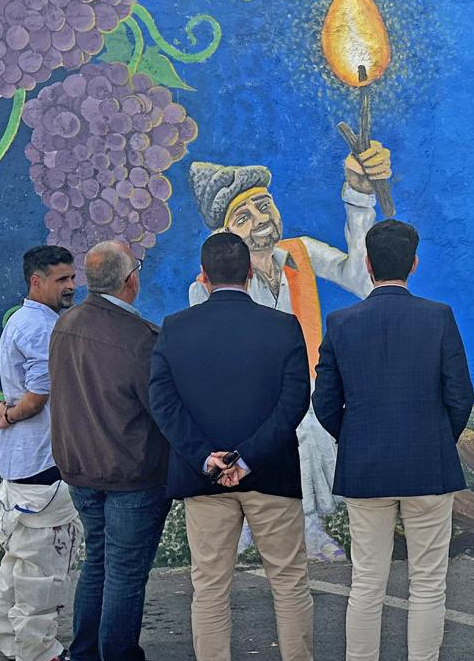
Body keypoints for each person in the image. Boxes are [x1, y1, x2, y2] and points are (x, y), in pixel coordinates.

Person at [187, 147, 389, 559]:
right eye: (243, 217)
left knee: (311, 433)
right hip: (246, 394)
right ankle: (243, 525)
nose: (260, 219)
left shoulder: (301, 253)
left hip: (303, 384)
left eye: (263, 206)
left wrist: (358, 197)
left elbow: (362, 278)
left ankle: (308, 526)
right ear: (225, 235)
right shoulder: (209, 284)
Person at [312, 220, 474, 661]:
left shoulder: (341, 322)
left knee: (366, 582)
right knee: (428, 582)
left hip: (365, 469)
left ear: (367, 264)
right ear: (414, 263)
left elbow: (324, 401)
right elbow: (460, 395)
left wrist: (354, 439)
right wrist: (437, 437)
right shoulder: (438, 317)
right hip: (429, 467)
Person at [151, 231, 314, 661]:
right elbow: (295, 401)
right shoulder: (283, 327)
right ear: (249, 274)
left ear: (203, 276)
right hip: (272, 475)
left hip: (203, 478)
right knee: (289, 583)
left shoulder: (174, 329)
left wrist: (205, 456)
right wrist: (248, 457)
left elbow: (163, 404)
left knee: (209, 586)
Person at [48, 241, 171, 661]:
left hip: (81, 470)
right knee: (124, 573)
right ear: (130, 280)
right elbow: (161, 409)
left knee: (98, 562)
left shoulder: (65, 325)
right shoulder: (140, 339)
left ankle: (85, 652)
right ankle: (117, 654)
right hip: (130, 472)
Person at [0, 245, 82, 661]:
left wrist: (8, 413)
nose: (71, 286)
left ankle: (14, 643)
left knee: (18, 565)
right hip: (43, 465)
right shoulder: (42, 328)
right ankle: (40, 653)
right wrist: (11, 413)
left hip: (22, 464)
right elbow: (38, 395)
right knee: (42, 572)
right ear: (36, 281)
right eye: (62, 280)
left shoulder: (23, 321)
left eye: (72, 277)